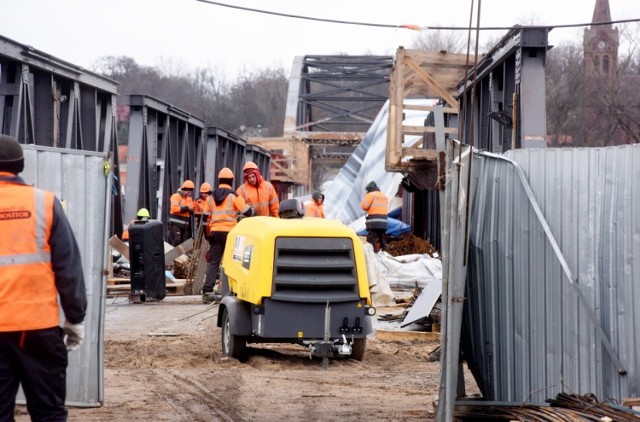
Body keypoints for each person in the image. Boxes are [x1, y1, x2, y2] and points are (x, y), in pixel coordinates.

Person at [0, 135, 87, 421]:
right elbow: (68, 268)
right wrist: (74, 317)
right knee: (48, 414)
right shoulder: (45, 204)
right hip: (38, 330)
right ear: (20, 166)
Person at [202, 168, 254, 303]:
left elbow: (205, 217)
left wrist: (207, 235)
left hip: (214, 232)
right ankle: (227, 289)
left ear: (219, 181)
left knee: (213, 262)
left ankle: (207, 290)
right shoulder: (234, 196)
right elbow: (248, 212)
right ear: (231, 181)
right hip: (230, 234)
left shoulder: (210, 197)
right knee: (231, 262)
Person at [360, 181, 389, 252]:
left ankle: (373, 253)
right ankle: (384, 251)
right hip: (384, 221)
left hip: (374, 221)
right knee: (382, 237)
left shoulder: (370, 195)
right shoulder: (384, 195)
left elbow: (364, 206)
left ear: (369, 189)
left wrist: (366, 197)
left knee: (372, 238)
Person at [168, 180, 195, 246]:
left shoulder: (189, 199)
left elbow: (191, 209)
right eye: (188, 192)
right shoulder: (176, 196)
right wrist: (187, 208)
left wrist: (191, 210)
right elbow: (174, 209)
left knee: (183, 244)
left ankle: (181, 256)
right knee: (176, 241)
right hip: (176, 224)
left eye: (190, 192)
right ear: (183, 189)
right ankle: (173, 256)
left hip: (185, 226)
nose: (189, 194)